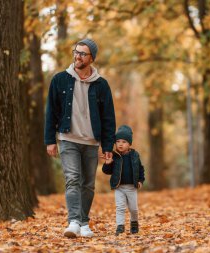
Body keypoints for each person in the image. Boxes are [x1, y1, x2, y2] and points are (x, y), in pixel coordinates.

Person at [44, 38, 116, 238]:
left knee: (88, 184)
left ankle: (84, 223)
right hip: (68, 138)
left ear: (91, 58)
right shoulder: (60, 80)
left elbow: (108, 117)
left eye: (83, 53)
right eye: (76, 51)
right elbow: (51, 111)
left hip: (91, 142)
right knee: (73, 179)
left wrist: (107, 145)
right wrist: (50, 140)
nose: (77, 56)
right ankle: (74, 222)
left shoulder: (101, 85)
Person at [101, 125, 145, 236]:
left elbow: (140, 168)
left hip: (131, 187)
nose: (120, 144)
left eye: (124, 141)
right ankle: (120, 227)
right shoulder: (114, 156)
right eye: (118, 141)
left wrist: (140, 180)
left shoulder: (135, 155)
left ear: (129, 143)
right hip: (119, 187)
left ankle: (134, 223)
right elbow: (107, 171)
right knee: (120, 207)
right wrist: (108, 163)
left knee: (133, 209)